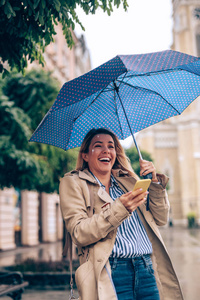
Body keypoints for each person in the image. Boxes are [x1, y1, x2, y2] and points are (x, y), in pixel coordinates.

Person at [59, 128, 183, 300]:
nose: (106, 150)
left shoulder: (128, 181)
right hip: (112, 272)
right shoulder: (73, 183)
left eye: (111, 146)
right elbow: (80, 233)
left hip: (146, 268)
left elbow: (161, 219)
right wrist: (119, 208)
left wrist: (154, 183)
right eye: (98, 146)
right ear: (85, 155)